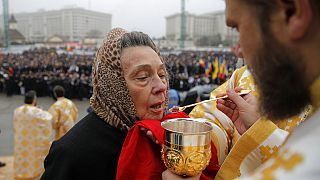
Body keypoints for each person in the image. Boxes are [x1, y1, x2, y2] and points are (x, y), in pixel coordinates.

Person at [163, 0, 320, 179]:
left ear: (292, 12)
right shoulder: (244, 78)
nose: (239, 52)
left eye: (238, 28)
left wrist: (262, 134)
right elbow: (214, 118)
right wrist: (193, 139)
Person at [41, 28, 170, 179]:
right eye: (142, 77)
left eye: (162, 74)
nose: (161, 86)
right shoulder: (73, 155)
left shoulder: (166, 137)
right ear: (113, 86)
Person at [13, 90, 53, 179]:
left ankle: (21, 173)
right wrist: (41, 110)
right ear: (34, 100)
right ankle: (32, 174)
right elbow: (48, 118)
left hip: (21, 139)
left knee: (22, 156)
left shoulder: (17, 110)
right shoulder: (36, 111)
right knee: (32, 157)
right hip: (33, 140)